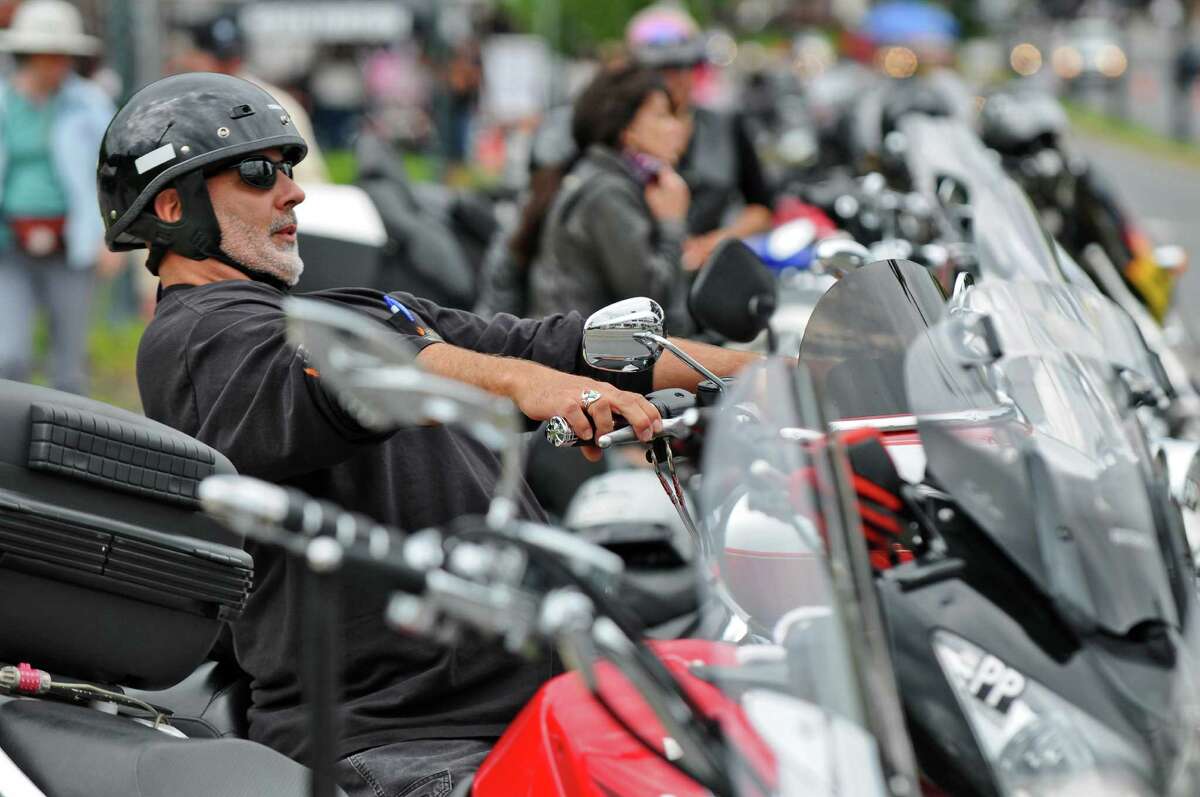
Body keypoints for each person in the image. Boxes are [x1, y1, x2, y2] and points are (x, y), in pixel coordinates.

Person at [97, 71, 757, 797]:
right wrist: (521, 385)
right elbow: (335, 374)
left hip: (535, 701)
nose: (294, 192)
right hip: (404, 742)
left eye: (289, 168)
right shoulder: (199, 337)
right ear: (170, 204)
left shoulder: (352, 310)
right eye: (258, 173)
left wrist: (766, 368)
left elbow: (552, 344)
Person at [0, 0, 117, 396]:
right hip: (9, 245)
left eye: (64, 56)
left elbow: (111, 173)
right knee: (8, 356)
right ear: (27, 55)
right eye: (49, 55)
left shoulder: (89, 103)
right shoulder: (2, 103)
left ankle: (65, 450)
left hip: (71, 243)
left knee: (68, 368)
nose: (58, 64)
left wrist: (111, 238)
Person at [522, 64, 692, 330]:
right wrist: (672, 224)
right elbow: (649, 304)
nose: (676, 128)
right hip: (587, 360)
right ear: (627, 129)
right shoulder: (608, 192)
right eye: (662, 116)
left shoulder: (608, 178)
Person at [625, 3, 773, 269]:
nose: (674, 80)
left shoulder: (725, 124)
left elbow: (761, 206)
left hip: (709, 272)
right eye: (662, 70)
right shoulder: (622, 131)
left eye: (684, 66)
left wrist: (718, 241)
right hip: (642, 271)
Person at [172, 9, 330, 185]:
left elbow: (310, 184)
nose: (183, 59)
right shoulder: (183, 102)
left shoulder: (273, 103)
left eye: (228, 58)